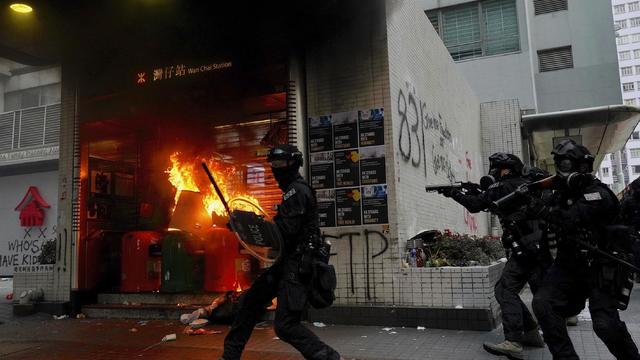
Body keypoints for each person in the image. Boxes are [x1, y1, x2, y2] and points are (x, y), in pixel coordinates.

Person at [220, 144, 342, 360]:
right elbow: (277, 232)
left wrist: (250, 226)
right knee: (250, 304)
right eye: (273, 165)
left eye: (279, 164)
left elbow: (283, 233)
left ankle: (330, 357)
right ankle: (229, 356)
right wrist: (244, 225)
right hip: (286, 263)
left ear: (293, 164)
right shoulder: (291, 193)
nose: (275, 170)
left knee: (285, 325)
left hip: (296, 266)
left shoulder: (297, 192)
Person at [528, 139, 640, 360]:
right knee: (543, 304)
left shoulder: (598, 193)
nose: (562, 170)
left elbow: (569, 219)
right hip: (569, 267)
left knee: (604, 324)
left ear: (582, 166)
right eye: (559, 164)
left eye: (567, 164)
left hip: (602, 267)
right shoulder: (561, 195)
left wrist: (540, 208)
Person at [439, 153, 548, 359]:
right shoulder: (522, 185)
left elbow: (475, 204)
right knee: (529, 293)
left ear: (505, 169)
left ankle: (514, 341)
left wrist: (454, 193)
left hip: (524, 249)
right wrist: (473, 189)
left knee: (505, 291)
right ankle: (533, 333)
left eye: (497, 168)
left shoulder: (504, 186)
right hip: (536, 248)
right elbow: (489, 198)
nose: (494, 172)